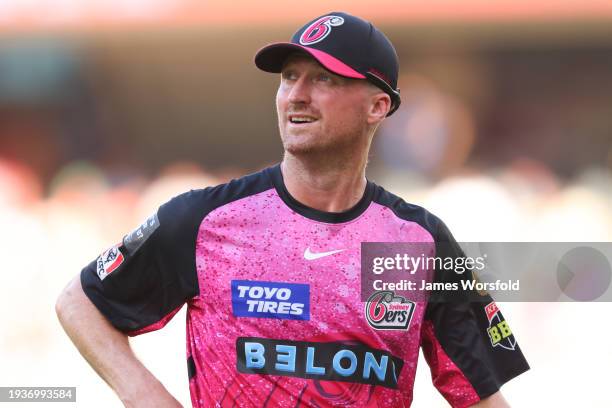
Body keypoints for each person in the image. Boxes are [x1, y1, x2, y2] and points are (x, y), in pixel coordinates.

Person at [56, 11, 529, 408]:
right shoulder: (204, 220)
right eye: (289, 78)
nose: (296, 95)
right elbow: (79, 302)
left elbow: (482, 394)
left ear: (377, 106)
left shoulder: (418, 241)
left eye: (322, 78)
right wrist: (146, 395)